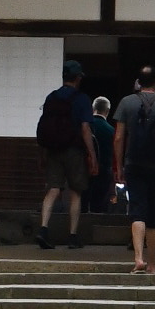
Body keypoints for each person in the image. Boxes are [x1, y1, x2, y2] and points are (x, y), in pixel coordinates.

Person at [113, 68, 155, 276]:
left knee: (137, 210)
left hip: (133, 164)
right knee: (154, 215)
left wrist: (119, 166)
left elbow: (118, 138)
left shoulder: (126, 102)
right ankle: (152, 264)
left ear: (138, 82)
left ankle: (138, 259)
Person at [37, 59, 100, 251]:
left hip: (53, 149)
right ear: (78, 78)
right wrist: (92, 155)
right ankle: (72, 236)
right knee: (75, 192)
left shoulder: (51, 98)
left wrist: (43, 152)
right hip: (74, 151)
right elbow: (85, 128)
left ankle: (43, 229)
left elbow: (43, 126)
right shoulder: (82, 99)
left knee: (53, 189)